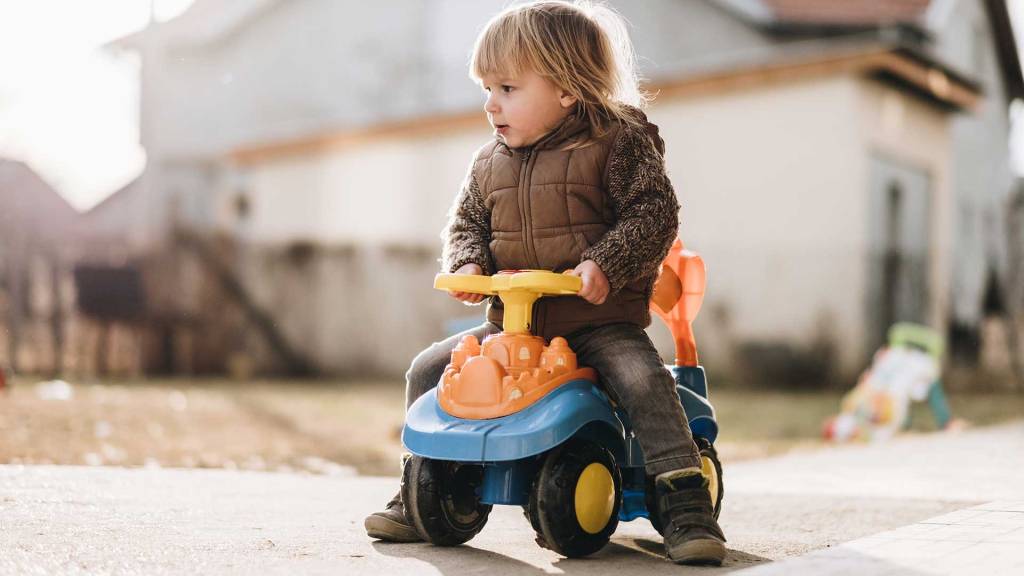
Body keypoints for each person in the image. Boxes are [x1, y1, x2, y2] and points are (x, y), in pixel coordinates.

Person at [365, 0, 726, 565]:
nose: (490, 104)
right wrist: (466, 264)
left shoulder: (616, 143)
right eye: (486, 88)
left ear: (565, 89)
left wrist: (604, 264)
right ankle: (427, 488)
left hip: (597, 321)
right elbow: (467, 224)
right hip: (514, 324)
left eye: (507, 88)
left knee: (641, 378)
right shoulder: (490, 163)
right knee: (429, 370)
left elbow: (653, 213)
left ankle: (681, 496)